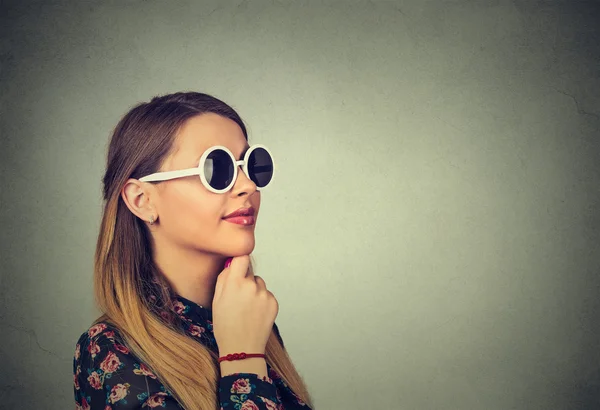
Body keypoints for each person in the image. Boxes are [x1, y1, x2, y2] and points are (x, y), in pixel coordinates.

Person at [72, 92, 314, 410]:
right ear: (142, 200)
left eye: (251, 165)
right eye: (217, 169)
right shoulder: (110, 349)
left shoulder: (249, 318)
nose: (248, 186)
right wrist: (243, 359)